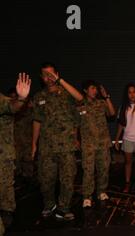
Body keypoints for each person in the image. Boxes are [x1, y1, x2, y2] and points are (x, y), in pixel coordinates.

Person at [32, 63, 82, 221]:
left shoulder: (67, 93)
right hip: (46, 147)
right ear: (41, 78)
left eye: (51, 74)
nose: (48, 78)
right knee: (45, 180)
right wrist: (34, 144)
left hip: (66, 145)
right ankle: (49, 204)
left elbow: (80, 98)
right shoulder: (39, 97)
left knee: (67, 179)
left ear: (57, 74)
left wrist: (60, 80)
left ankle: (63, 208)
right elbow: (37, 121)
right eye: (45, 75)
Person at [1, 73, 32, 236]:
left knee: (6, 201)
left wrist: (21, 98)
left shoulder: (2, 100)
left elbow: (12, 106)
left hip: (3, 159)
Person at [77, 81, 116, 208]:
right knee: (88, 170)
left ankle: (101, 192)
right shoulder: (80, 105)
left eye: (96, 89)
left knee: (103, 169)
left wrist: (107, 97)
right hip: (88, 144)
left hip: (103, 143)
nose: (95, 91)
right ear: (85, 90)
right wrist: (75, 139)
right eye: (92, 88)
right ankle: (87, 196)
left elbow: (112, 113)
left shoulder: (101, 103)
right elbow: (74, 124)